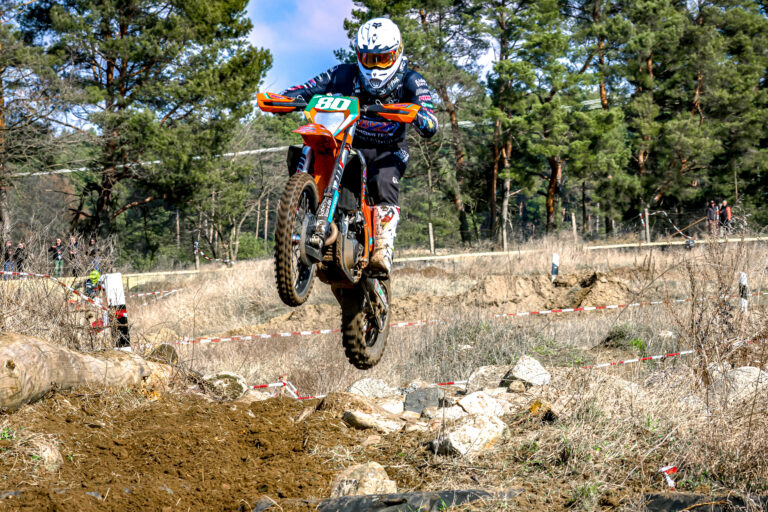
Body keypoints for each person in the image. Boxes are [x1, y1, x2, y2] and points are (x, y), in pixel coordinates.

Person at [280, 17, 439, 274]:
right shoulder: (345, 74)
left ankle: (382, 250)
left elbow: (431, 121)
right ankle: (296, 214)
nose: (375, 66)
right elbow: (309, 87)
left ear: (397, 53)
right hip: (349, 144)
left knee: (383, 180)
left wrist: (419, 116)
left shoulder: (411, 80)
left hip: (388, 150)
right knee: (312, 145)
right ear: (359, 56)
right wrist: (285, 98)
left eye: (382, 58)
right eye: (368, 58)